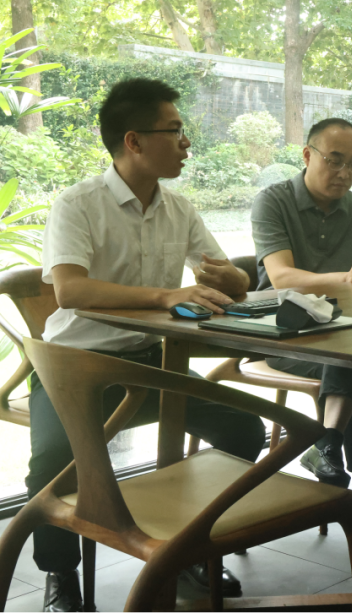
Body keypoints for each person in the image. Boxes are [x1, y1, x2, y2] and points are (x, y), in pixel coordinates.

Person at [30, 78, 267, 612]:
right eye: (175, 130)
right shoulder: (78, 204)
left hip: (153, 364)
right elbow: (70, 290)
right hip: (77, 366)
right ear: (133, 141)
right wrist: (166, 295)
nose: (187, 142)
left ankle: (185, 545)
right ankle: (60, 576)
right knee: (52, 463)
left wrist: (232, 278)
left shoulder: (178, 208)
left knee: (243, 430)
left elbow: (233, 280)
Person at [250, 117, 352, 546]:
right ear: (308, 155)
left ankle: (327, 445)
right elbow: (281, 278)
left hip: (345, 328)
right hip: (284, 332)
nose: (345, 172)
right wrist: (346, 276)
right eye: (335, 160)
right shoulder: (273, 201)